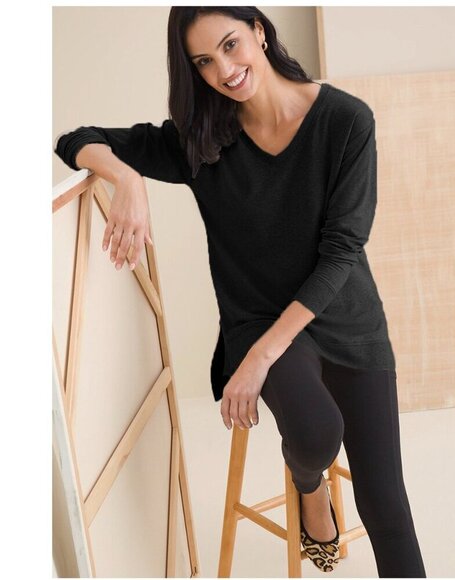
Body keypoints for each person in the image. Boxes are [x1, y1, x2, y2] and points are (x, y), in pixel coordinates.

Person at [54, 6, 426, 577]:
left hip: (346, 318)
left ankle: (315, 485)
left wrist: (256, 361)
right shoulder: (203, 141)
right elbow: (77, 140)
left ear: (259, 31)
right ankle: (311, 488)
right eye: (204, 61)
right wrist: (128, 177)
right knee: (316, 432)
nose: (224, 70)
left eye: (230, 45)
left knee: (386, 505)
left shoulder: (347, 121)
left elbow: (341, 254)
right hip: (258, 320)